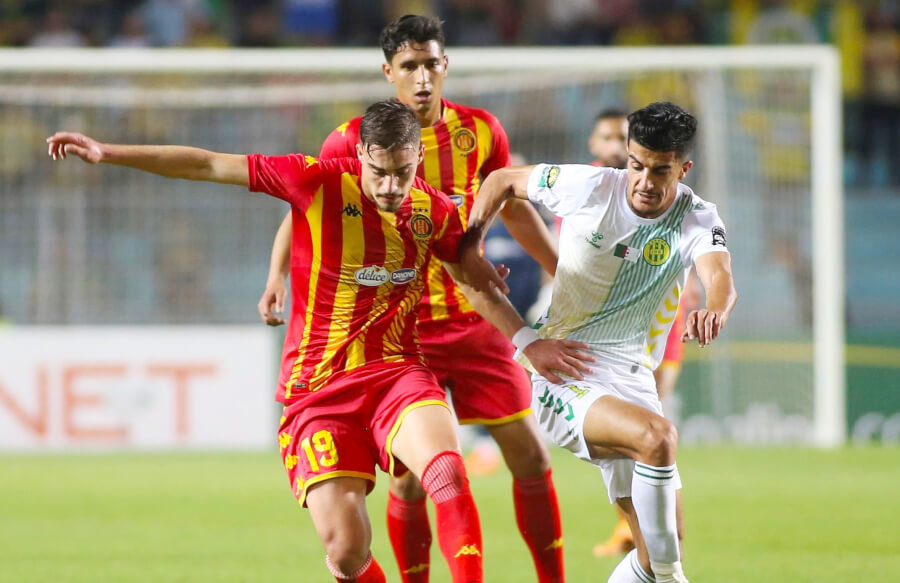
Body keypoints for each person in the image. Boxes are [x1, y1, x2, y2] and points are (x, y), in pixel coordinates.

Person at [46, 100, 586, 583]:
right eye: (380, 172)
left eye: (403, 172)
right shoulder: (318, 181)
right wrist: (108, 152)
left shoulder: (436, 212)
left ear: (417, 160)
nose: (392, 187)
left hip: (397, 373)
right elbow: (208, 162)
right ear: (363, 156)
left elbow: (472, 281)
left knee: (445, 470)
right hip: (318, 391)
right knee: (348, 549)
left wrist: (525, 339)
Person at [257, 15, 566, 583]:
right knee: (408, 478)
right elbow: (305, 206)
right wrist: (276, 276)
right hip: (401, 334)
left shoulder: (480, 131)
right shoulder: (352, 139)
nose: (422, 78)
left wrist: (562, 274)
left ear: (445, 64)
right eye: (409, 67)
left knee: (529, 454)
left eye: (431, 63)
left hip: (474, 319)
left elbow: (515, 208)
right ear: (388, 73)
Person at [460, 102, 738, 583]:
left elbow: (720, 274)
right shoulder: (591, 187)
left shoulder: (696, 216)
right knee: (658, 438)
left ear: (683, 168)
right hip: (564, 370)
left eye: (660, 170)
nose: (644, 181)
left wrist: (714, 307)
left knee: (653, 556)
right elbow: (501, 180)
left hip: (632, 381)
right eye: (636, 165)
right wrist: (471, 244)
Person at [586, 107, 700, 558]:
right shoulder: (590, 190)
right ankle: (635, 524)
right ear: (596, 145)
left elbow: (694, 248)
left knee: (652, 416)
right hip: (603, 335)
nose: (614, 146)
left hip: (659, 324)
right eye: (608, 139)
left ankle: (648, 523)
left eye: (620, 137)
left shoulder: (670, 194)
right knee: (637, 428)